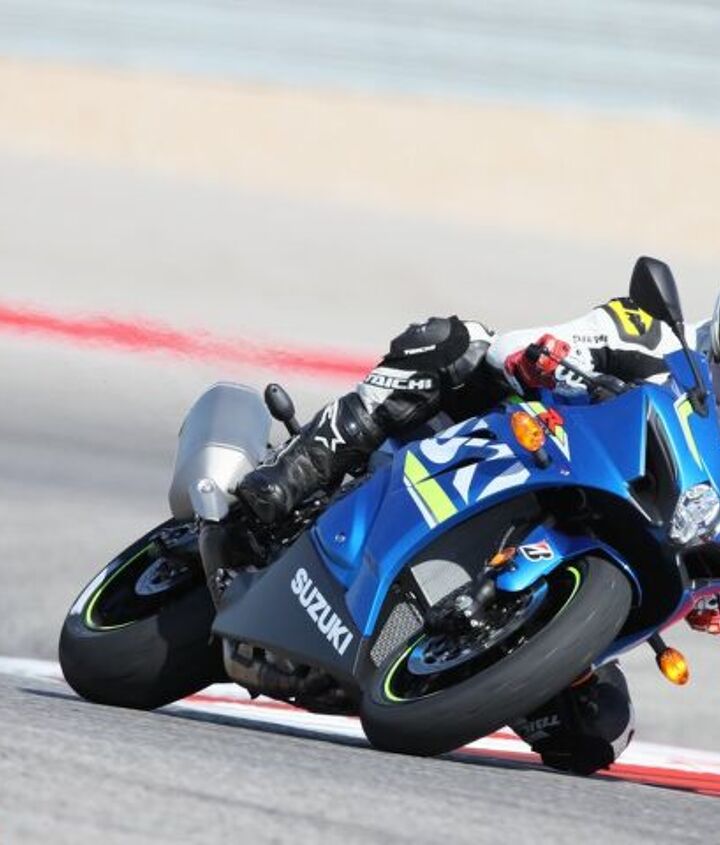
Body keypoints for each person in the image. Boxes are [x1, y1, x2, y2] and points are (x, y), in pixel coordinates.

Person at [228, 258, 720, 774]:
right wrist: (544, 358)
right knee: (455, 342)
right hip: (514, 453)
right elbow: (518, 346)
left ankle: (471, 664)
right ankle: (299, 469)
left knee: (601, 733)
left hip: (609, 554)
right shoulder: (652, 335)